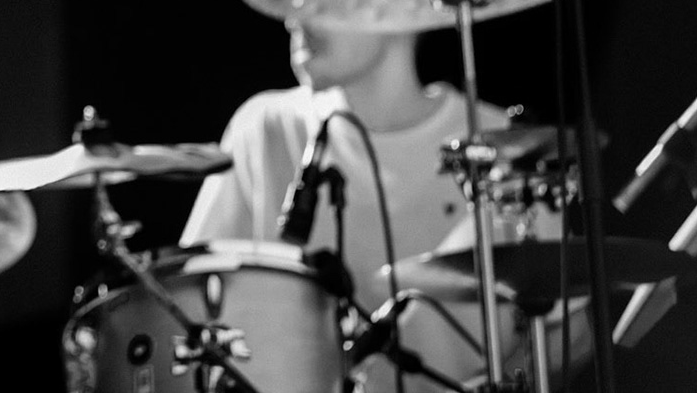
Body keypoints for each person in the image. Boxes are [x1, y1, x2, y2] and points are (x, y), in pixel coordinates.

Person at [181, 19, 584, 392]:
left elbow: (569, 332)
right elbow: (183, 309)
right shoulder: (265, 126)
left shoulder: (508, 147)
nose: (295, 15)